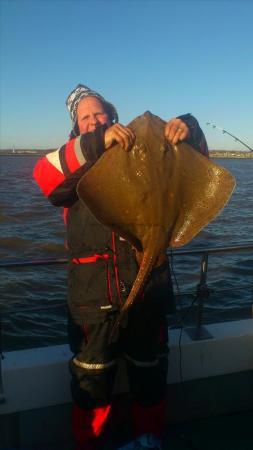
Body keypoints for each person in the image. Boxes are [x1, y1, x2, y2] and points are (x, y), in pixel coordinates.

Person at [33, 84, 208, 450]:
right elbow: (44, 177)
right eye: (86, 117)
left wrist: (189, 130)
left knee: (149, 380)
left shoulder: (143, 148)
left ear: (113, 117)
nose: (94, 121)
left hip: (149, 292)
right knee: (91, 386)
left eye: (100, 114)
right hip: (93, 303)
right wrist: (98, 143)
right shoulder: (72, 164)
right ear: (77, 127)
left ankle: (149, 441)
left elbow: (199, 168)